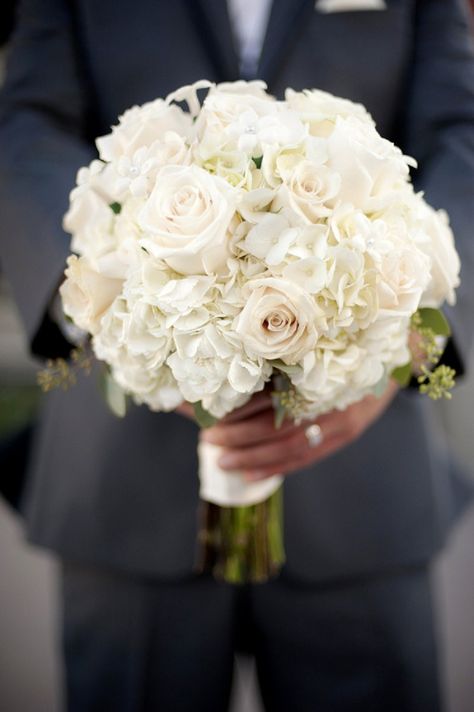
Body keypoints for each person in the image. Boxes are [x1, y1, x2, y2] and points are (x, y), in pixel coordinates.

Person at [1, 1, 473, 710]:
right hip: (124, 489)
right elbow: (29, 123)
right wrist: (121, 303)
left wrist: (402, 346)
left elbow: (460, 134)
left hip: (362, 490)